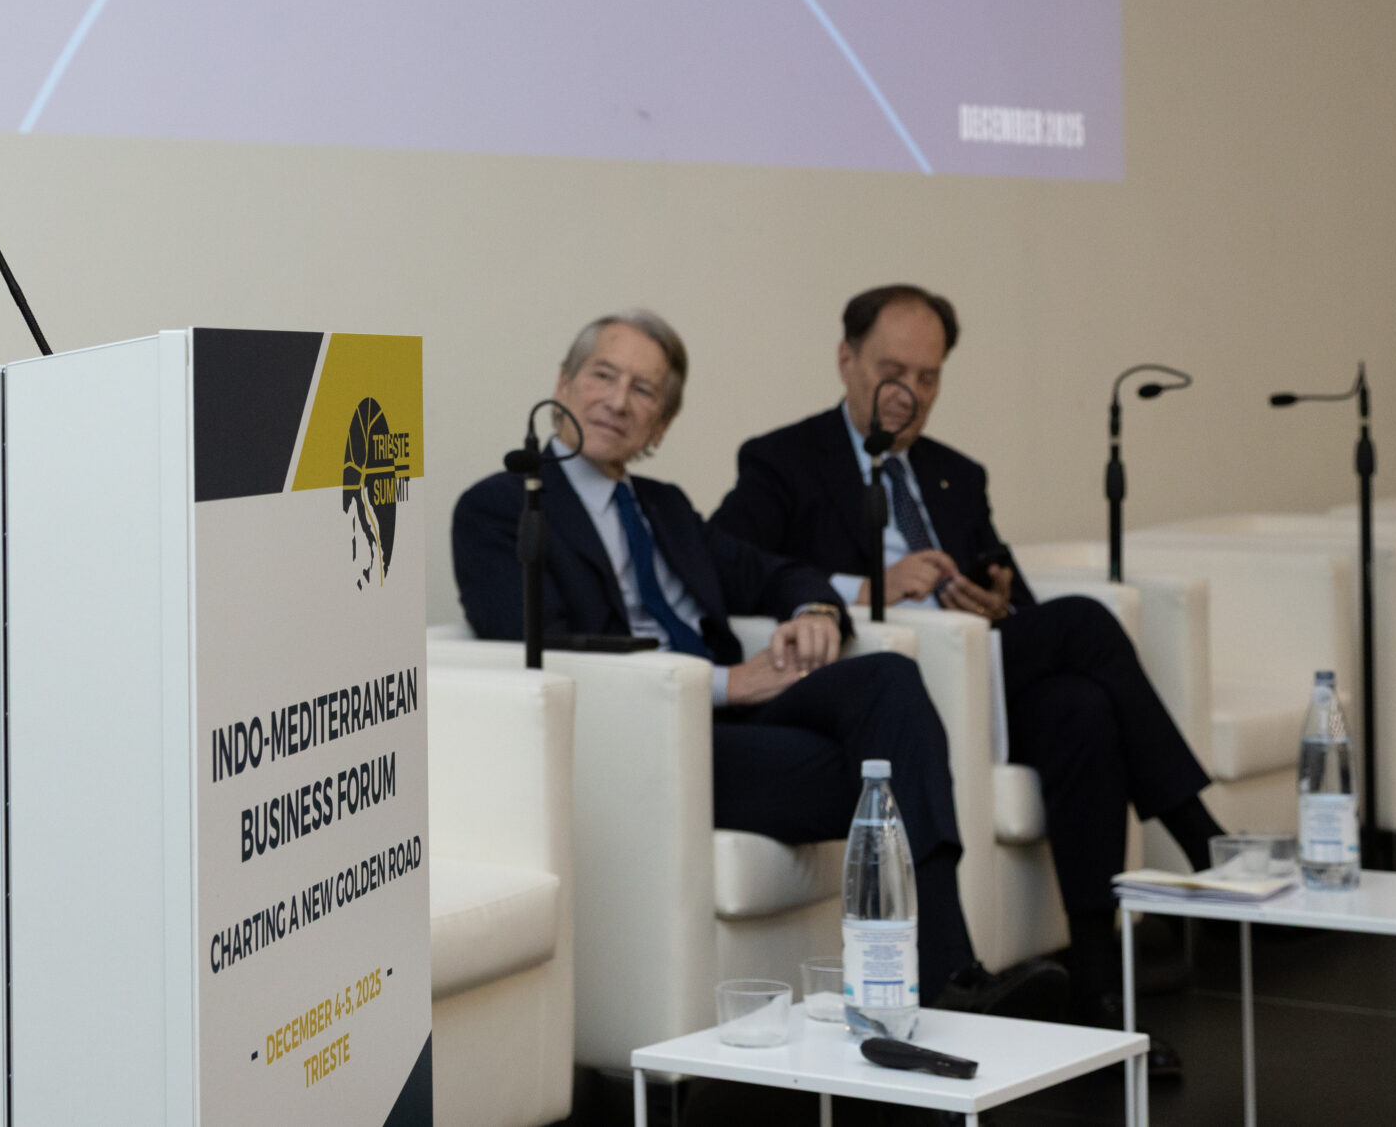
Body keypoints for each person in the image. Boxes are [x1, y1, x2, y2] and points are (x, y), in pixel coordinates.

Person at [452, 311, 1072, 1020]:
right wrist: (725, 682)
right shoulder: (499, 508)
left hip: (736, 720)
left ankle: (950, 970)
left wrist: (814, 611)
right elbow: (537, 646)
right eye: (603, 376)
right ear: (563, 383)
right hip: (652, 742)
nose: (618, 401)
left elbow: (772, 570)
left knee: (888, 679)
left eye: (644, 390)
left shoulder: (664, 507)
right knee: (893, 773)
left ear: (661, 424)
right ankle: (944, 982)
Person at [713, 284, 1224, 1036]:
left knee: (1081, 706)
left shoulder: (956, 473)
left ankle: (1096, 987)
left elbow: (1015, 596)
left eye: (929, 378)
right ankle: (1204, 840)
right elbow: (727, 566)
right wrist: (867, 587)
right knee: (1084, 635)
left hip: (982, 671)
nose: (910, 395)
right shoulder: (784, 460)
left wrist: (997, 599)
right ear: (846, 360)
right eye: (892, 372)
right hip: (897, 691)